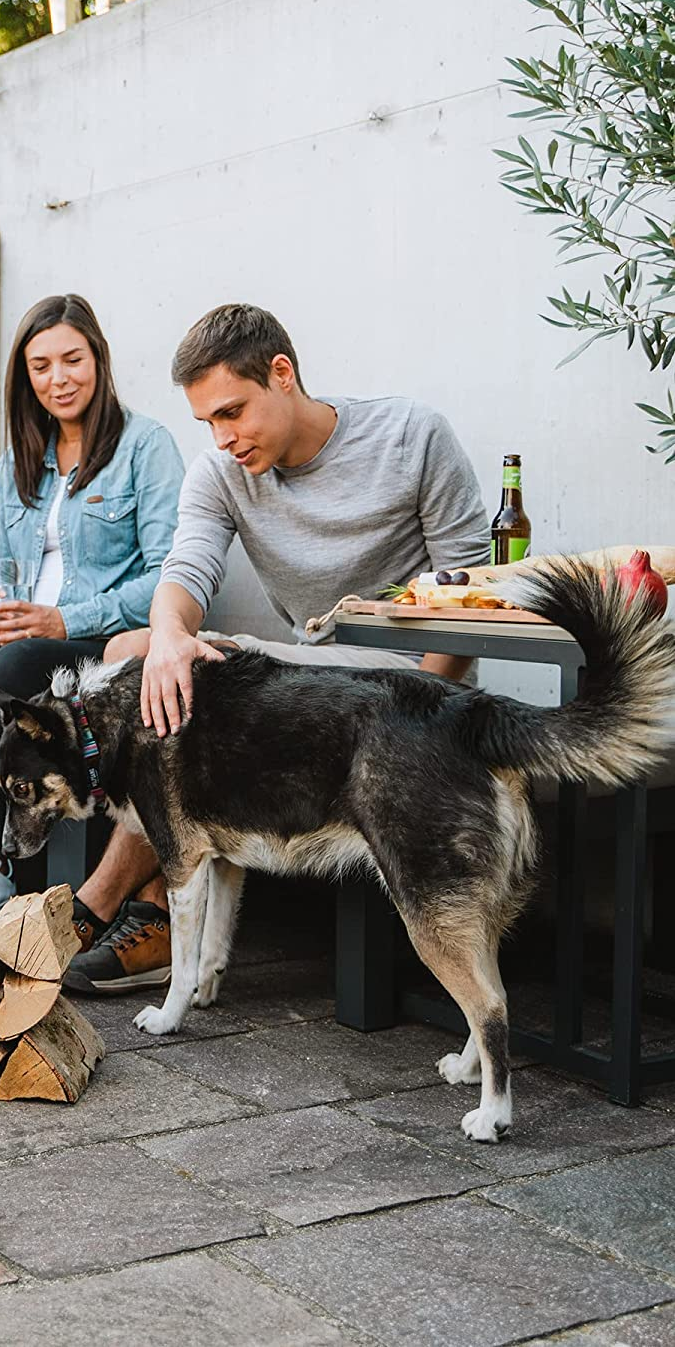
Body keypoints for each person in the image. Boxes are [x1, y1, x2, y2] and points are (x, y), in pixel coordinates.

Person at [63, 302, 491, 996]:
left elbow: (471, 591)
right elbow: (185, 571)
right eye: (208, 422)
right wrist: (171, 636)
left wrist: (425, 713)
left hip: (409, 687)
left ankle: (105, 905)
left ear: (282, 374)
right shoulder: (222, 471)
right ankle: (155, 910)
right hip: (310, 672)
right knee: (136, 652)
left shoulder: (410, 436)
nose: (223, 437)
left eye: (233, 412)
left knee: (177, 685)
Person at [0, 294, 185, 929]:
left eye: (72, 360)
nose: (59, 379)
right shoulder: (20, 459)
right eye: (41, 366)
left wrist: (63, 621)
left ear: (99, 360)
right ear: (24, 376)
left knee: (19, 659)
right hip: (24, 636)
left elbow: (170, 573)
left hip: (100, 642)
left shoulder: (146, 446)